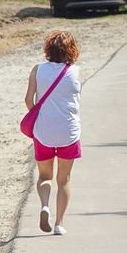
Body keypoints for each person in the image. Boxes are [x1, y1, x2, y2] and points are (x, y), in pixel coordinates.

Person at [24, 31, 82, 236]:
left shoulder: (37, 70)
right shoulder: (75, 72)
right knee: (64, 179)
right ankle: (59, 224)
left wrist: (38, 115)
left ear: (48, 49)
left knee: (44, 176)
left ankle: (44, 206)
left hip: (43, 131)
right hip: (69, 132)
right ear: (72, 50)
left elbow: (28, 100)